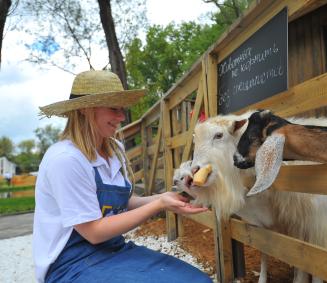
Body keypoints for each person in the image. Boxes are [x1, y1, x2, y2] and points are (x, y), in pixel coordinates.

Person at [33, 70, 211, 283]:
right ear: (85, 110)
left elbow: (124, 202)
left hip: (112, 248)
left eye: (122, 109)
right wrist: (159, 205)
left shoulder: (113, 148)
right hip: (70, 264)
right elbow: (94, 232)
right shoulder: (66, 160)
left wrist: (174, 195)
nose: (121, 117)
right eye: (113, 109)